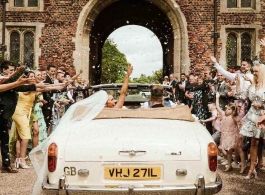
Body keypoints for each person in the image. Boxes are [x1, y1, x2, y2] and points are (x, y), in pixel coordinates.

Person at [235, 62, 265, 178]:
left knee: (261, 142)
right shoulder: (252, 86)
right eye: (253, 71)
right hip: (252, 116)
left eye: (256, 71)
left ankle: (260, 163)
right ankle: (252, 169)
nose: (254, 73)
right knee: (254, 142)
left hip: (263, 115)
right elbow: (241, 96)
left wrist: (262, 106)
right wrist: (237, 85)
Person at [216, 92, 239, 172]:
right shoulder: (223, 115)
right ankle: (230, 161)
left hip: (231, 135)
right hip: (224, 135)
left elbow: (239, 125)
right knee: (221, 148)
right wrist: (217, 98)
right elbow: (218, 107)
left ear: (233, 111)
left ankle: (229, 165)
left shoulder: (233, 117)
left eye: (229, 109)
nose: (226, 110)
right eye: (226, 108)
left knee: (229, 150)